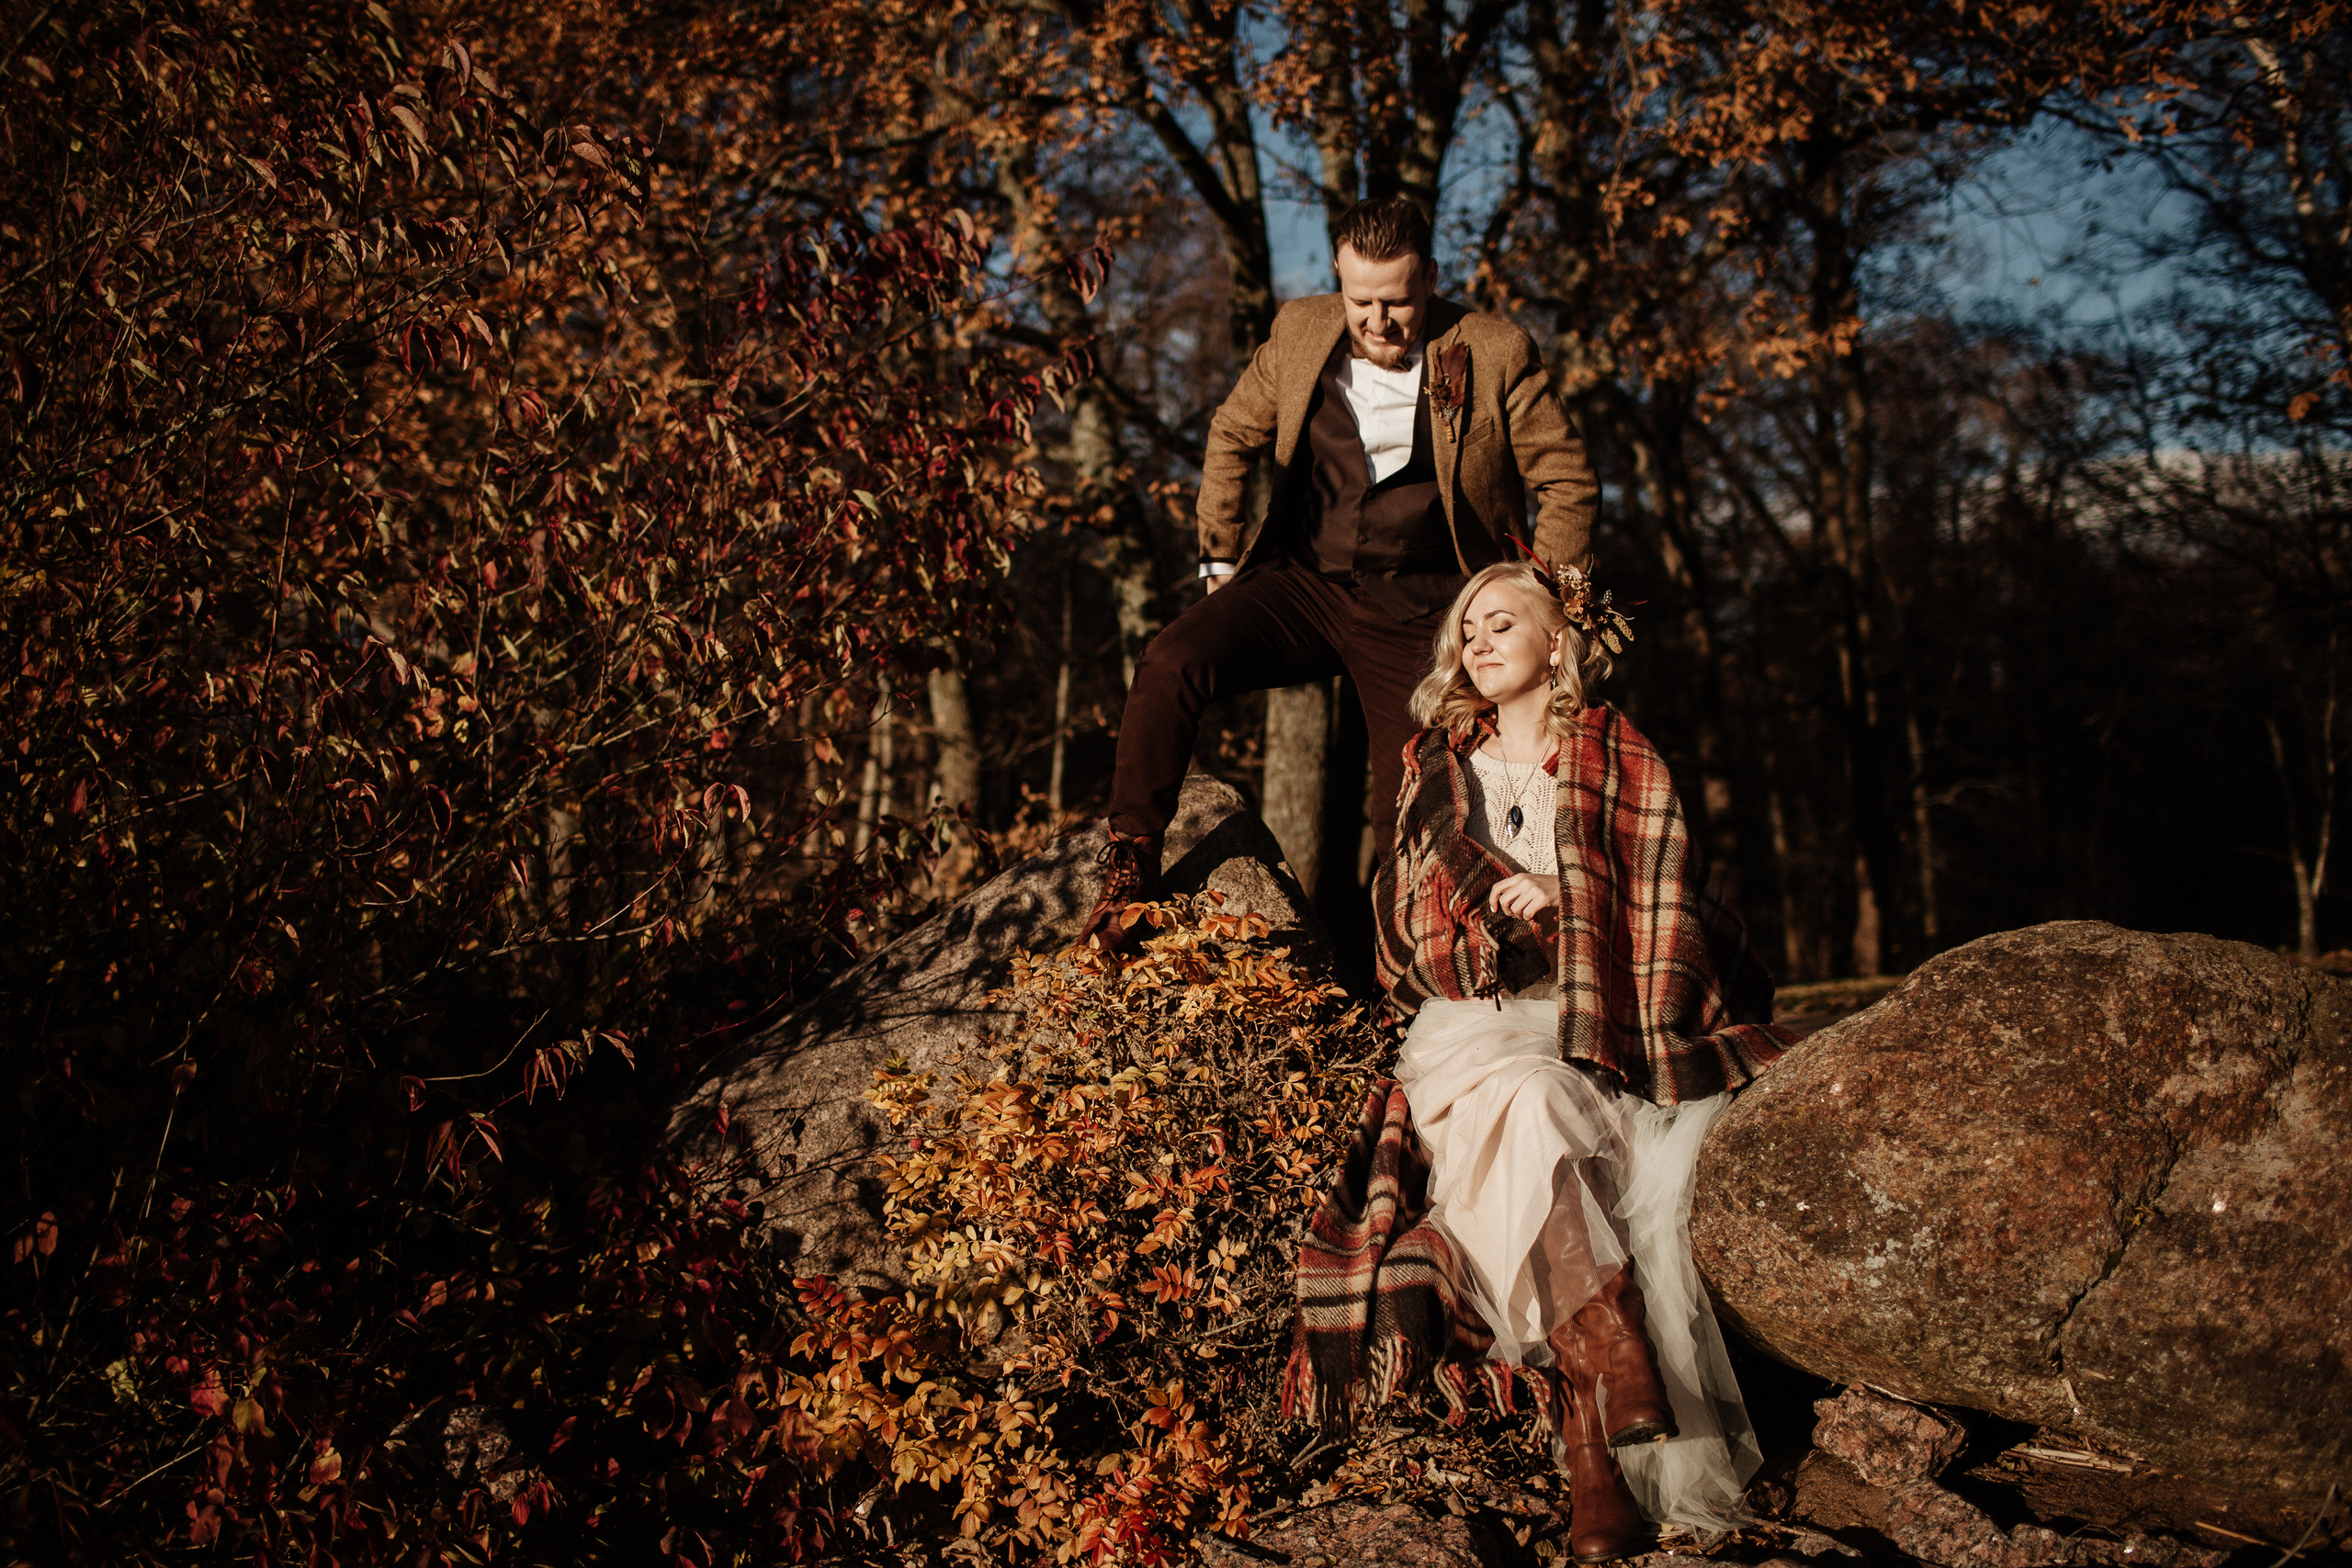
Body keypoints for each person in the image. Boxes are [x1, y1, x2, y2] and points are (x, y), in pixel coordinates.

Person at [1280, 561, 1792, 1562]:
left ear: (1556, 643)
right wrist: (1479, 922)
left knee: (1535, 1106)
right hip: (1468, 1024)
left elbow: (1663, 905)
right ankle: (1613, 1355)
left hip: (1588, 1020)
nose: (1475, 640)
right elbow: (1402, 918)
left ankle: (1593, 1457)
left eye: (1500, 621)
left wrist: (1563, 905)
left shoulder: (1621, 757)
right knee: (1519, 1094)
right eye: (1465, 627)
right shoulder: (1434, 765)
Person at [1077, 197, 1600, 953]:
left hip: (1425, 606)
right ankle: (1128, 868)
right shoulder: (1298, 331)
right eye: (1362, 301)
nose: (1379, 320)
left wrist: (1537, 602)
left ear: (1431, 281)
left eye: (1398, 301)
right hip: (1303, 581)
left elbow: (1569, 481)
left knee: (1406, 803)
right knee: (1170, 659)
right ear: (1337, 279)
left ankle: (1404, 981)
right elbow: (1231, 433)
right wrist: (1220, 557)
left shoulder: (1496, 349)